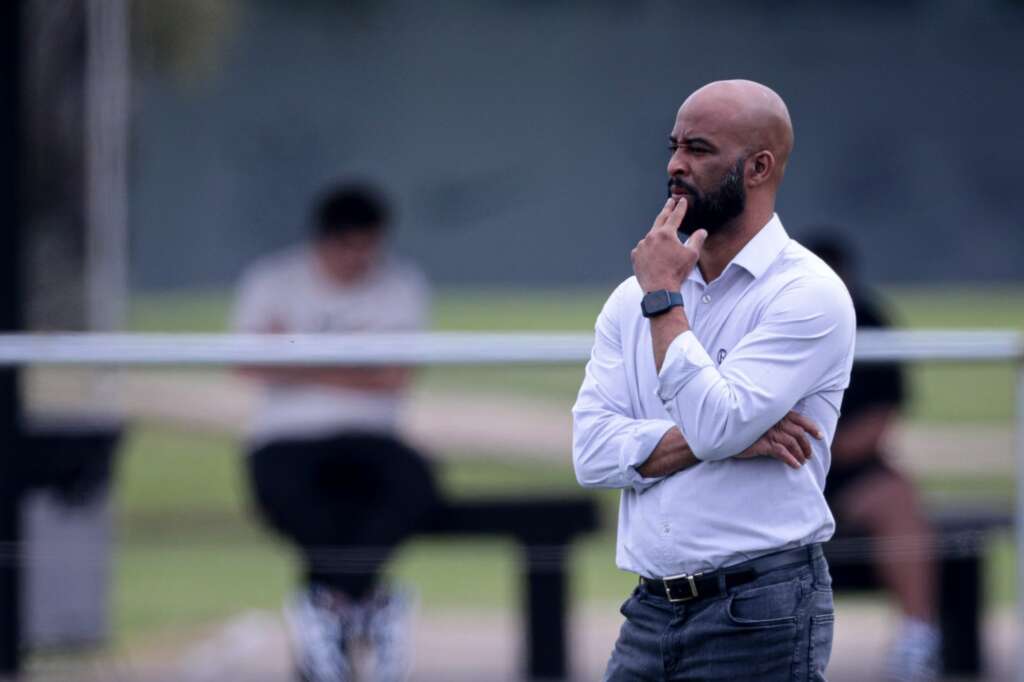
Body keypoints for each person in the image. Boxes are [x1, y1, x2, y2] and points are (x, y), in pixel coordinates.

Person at [572, 79, 856, 681]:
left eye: (699, 149)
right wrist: (725, 439)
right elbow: (592, 453)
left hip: (761, 612)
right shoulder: (633, 296)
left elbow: (718, 421)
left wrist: (665, 304)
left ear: (758, 167)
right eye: (674, 146)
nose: (675, 165)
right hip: (648, 612)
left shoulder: (806, 292)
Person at [232, 183, 437, 682]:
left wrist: (297, 355)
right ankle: (369, 603)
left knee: (413, 483)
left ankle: (326, 605)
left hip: (371, 440)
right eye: (349, 246)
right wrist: (352, 359)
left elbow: (395, 376)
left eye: (369, 246)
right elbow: (247, 364)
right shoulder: (272, 279)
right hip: (286, 439)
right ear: (324, 240)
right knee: (293, 498)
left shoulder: (401, 284)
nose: (359, 259)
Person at [807, 233, 939, 681]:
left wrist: (821, 447)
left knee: (898, 501)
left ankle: (918, 639)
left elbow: (882, 415)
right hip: (775, 467)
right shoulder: (770, 315)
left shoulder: (872, 321)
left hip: (847, 471)